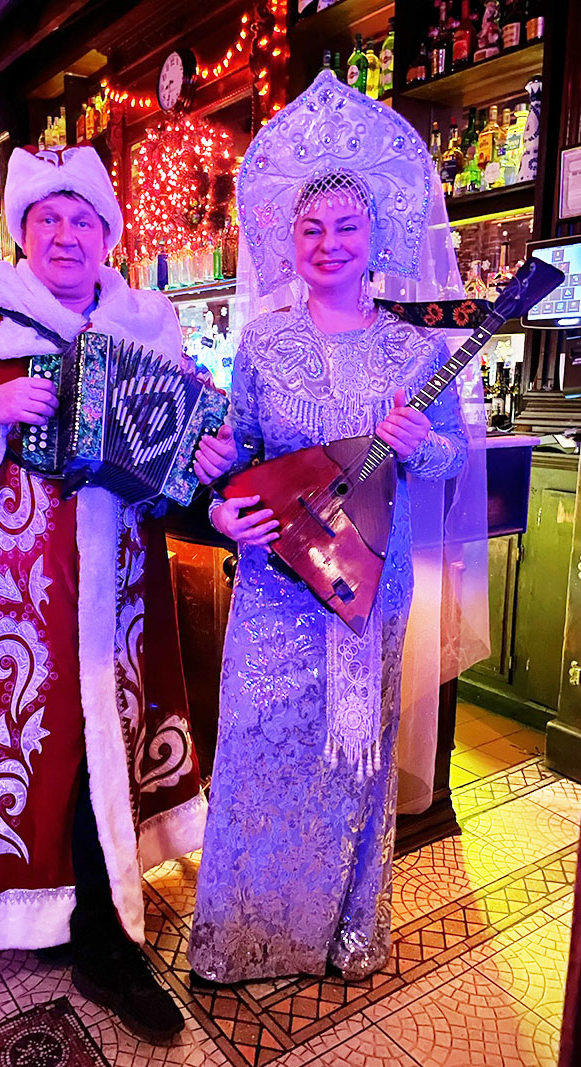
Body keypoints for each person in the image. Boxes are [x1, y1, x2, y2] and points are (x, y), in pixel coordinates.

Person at [0, 144, 236, 1042]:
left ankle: (100, 934)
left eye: (84, 220)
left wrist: (204, 456)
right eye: (48, 219)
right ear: (23, 231)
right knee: (29, 745)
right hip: (11, 600)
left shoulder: (146, 327)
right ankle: (55, 912)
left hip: (116, 590)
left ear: (109, 235)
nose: (66, 235)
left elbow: (176, 468)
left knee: (100, 745)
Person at [188, 71, 485, 984]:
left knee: (348, 750)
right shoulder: (263, 343)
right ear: (289, 238)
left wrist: (417, 440)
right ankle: (243, 936)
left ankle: (338, 931)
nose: (327, 243)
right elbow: (236, 452)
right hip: (275, 584)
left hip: (365, 590)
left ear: (376, 237)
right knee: (256, 747)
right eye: (310, 228)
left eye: (345, 226)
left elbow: (450, 461)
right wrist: (216, 494)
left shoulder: (415, 348)